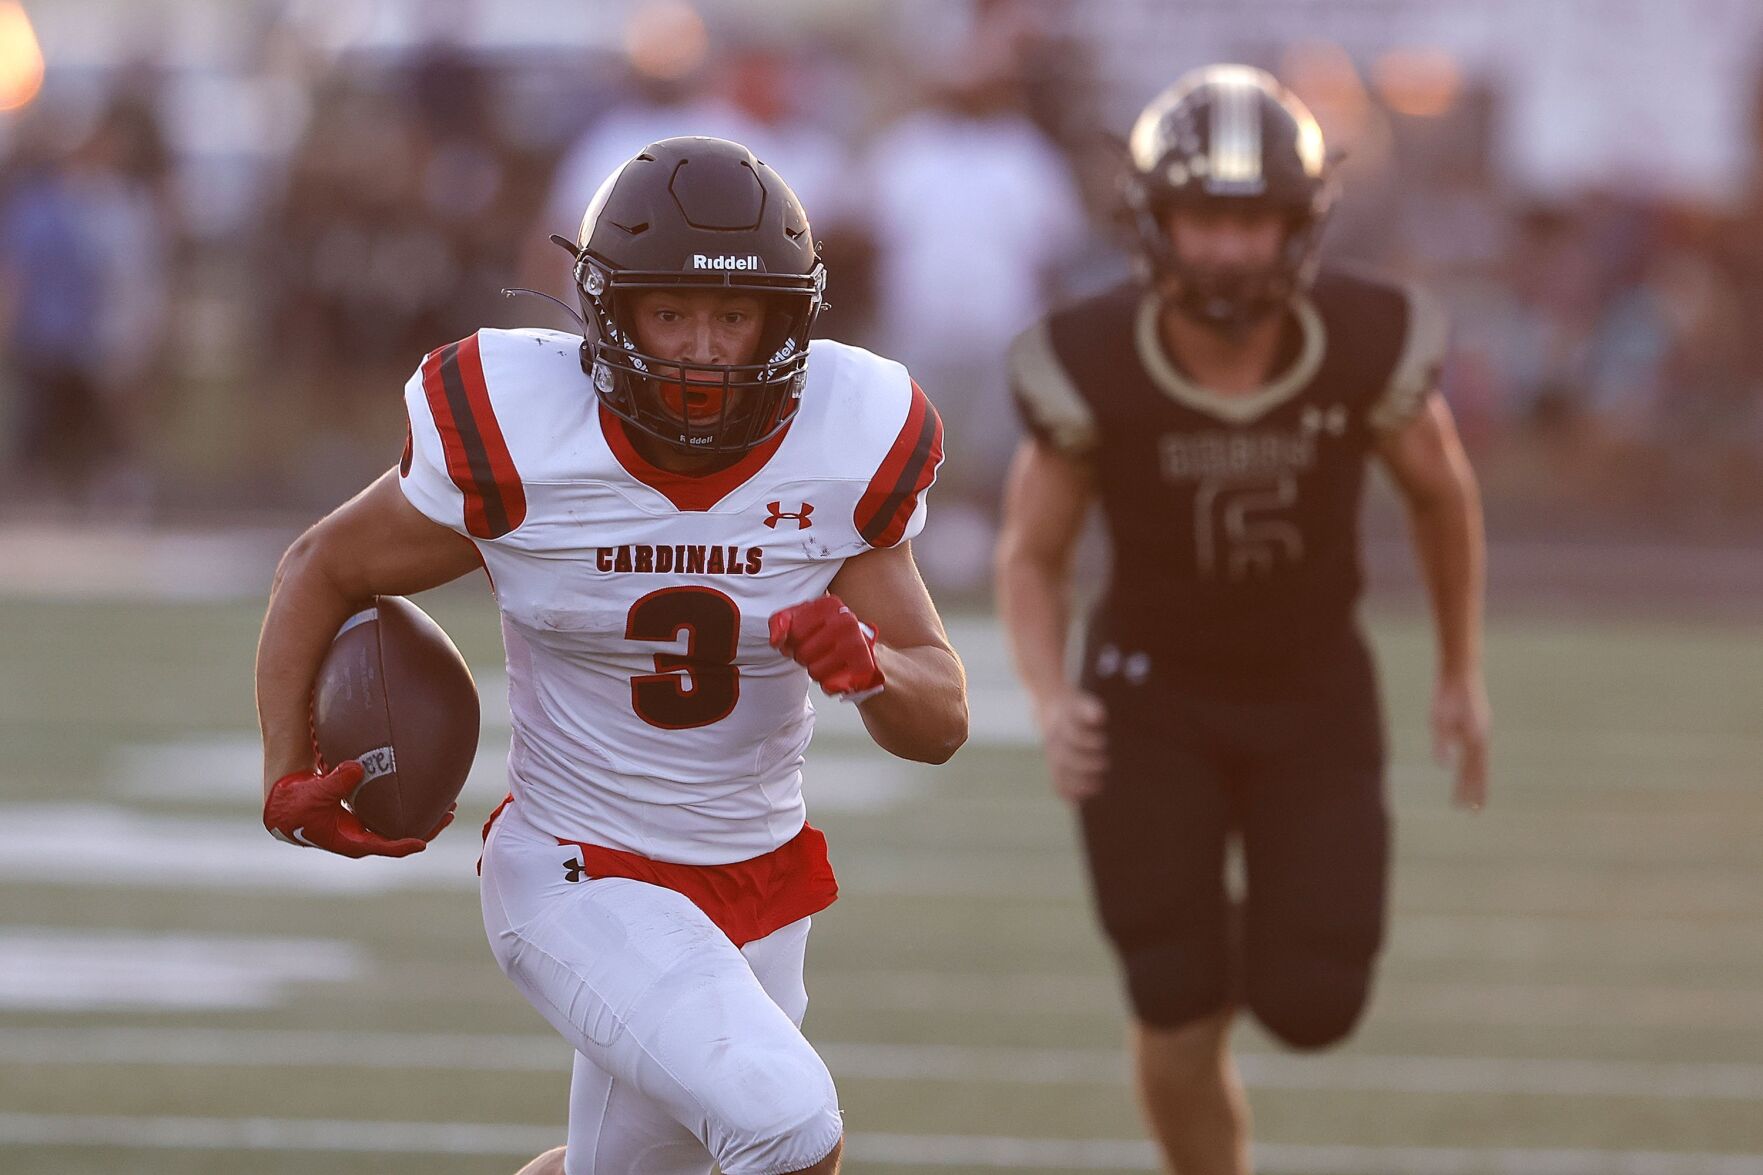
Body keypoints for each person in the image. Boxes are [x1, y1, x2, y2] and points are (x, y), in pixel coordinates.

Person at [255, 136, 968, 1175]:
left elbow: (939, 715)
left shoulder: (843, 440)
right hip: (579, 867)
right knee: (786, 1121)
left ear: (783, 320)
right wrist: (286, 765)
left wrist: (867, 666)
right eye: (669, 312)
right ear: (608, 310)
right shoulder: (521, 434)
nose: (699, 349)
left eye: (731, 317)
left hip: (758, 878)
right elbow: (322, 565)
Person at [995, 66, 1489, 1175]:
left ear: (1297, 223)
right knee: (1173, 994)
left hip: (1310, 693)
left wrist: (1459, 670)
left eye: (1251, 219)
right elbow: (1031, 553)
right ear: (1151, 220)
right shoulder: (1090, 356)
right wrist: (1047, 689)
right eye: (1201, 219)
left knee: (1312, 1001)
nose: (1224, 249)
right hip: (1147, 696)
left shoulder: (1364, 335)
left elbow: (1439, 491)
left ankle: (1225, 934)